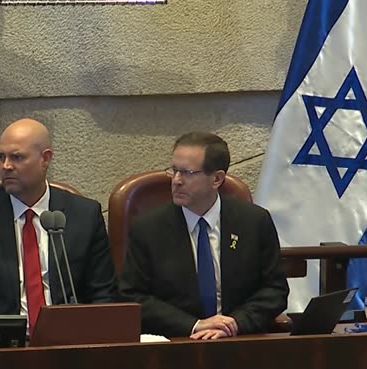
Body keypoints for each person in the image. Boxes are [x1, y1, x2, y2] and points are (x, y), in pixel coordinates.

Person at [0, 118, 118, 332]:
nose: (6, 166)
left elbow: (105, 294)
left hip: (67, 345)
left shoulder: (84, 215)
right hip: (0, 346)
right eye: (1, 157)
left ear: (45, 159)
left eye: (17, 157)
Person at [119, 132, 288, 339]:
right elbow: (134, 297)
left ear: (216, 179)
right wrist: (195, 325)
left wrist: (236, 323)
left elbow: (275, 290)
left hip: (240, 341)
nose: (177, 181)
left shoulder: (254, 222)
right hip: (177, 342)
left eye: (188, 173)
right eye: (174, 171)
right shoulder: (148, 229)